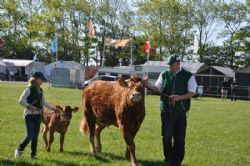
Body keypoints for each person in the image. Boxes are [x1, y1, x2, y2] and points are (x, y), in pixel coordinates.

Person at [144, 55, 197, 166]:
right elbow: (158, 89)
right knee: (167, 136)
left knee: (180, 139)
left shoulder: (188, 76)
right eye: (169, 64)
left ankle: (177, 162)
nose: (169, 67)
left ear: (178, 64)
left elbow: (192, 92)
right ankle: (168, 159)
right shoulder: (164, 74)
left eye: (171, 64)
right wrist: (148, 85)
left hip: (181, 111)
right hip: (166, 110)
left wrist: (178, 97)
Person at [14, 71, 59, 160]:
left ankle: (33, 155)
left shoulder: (41, 90)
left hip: (38, 116)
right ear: (36, 79)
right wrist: (30, 107)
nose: (42, 82)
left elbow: (43, 102)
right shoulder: (28, 89)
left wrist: (53, 109)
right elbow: (21, 100)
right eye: (41, 80)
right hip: (29, 115)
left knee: (35, 137)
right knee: (30, 135)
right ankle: (19, 150)